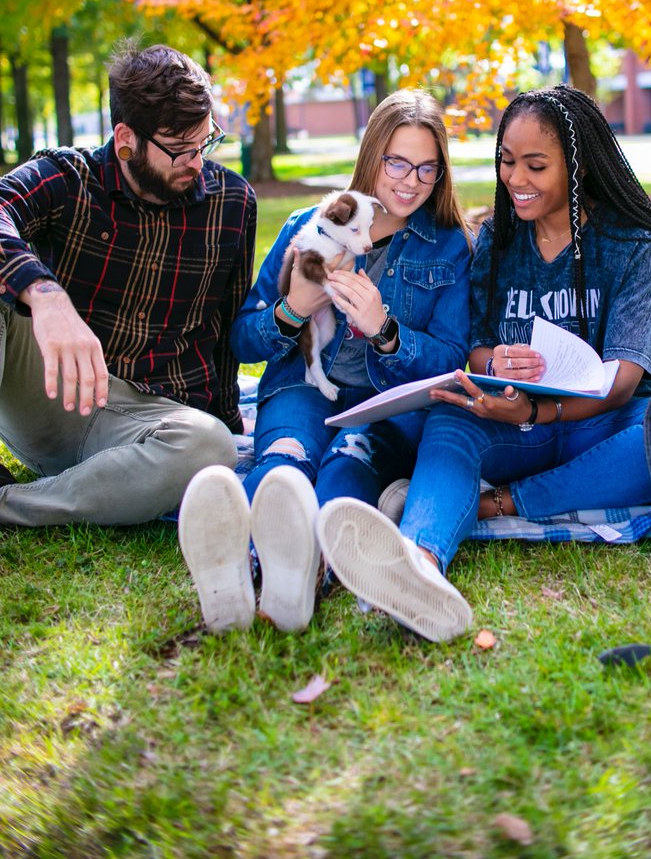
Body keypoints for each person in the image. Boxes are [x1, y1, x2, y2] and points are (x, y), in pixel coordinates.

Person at [317, 85, 651, 641]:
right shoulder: (496, 238)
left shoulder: (636, 248)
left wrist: (533, 413)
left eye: (535, 165)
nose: (515, 179)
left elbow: (620, 385)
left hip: (599, 428)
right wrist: (493, 363)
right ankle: (419, 567)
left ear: (578, 164)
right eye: (506, 161)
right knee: (450, 419)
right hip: (512, 423)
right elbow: (474, 348)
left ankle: (495, 504)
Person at [178, 89, 473, 635]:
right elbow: (242, 340)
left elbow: (452, 358)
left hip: (383, 408)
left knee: (346, 462)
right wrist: (292, 313)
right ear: (372, 156)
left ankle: (306, 569)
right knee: (287, 455)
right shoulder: (304, 227)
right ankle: (239, 565)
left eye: (427, 169)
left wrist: (386, 332)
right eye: (397, 163)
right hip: (302, 386)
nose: (410, 182)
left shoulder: (449, 247)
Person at [0, 41, 256, 526]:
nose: (197, 161)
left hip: (150, 424)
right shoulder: (67, 177)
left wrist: (229, 426)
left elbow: (223, 336)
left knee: (211, 445)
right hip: (55, 398)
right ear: (126, 139)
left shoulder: (232, 203)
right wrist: (45, 295)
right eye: (179, 150)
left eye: (205, 142)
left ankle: (15, 505)